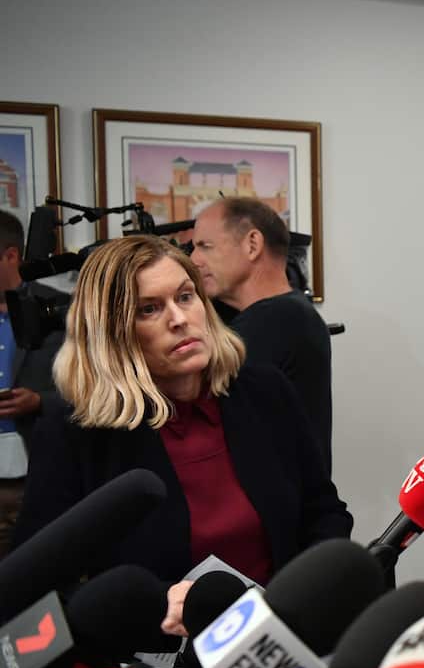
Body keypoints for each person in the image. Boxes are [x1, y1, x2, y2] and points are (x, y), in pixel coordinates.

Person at [14, 235, 351, 636]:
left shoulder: (264, 391)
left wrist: (303, 598)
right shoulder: (77, 431)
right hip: (157, 655)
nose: (179, 319)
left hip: (283, 633)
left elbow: (323, 511)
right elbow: (34, 580)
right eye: (149, 309)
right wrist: (155, 606)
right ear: (112, 334)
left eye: (186, 297)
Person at [191, 197, 333, 471]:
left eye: (204, 246)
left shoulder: (277, 320)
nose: (194, 259)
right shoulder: (291, 314)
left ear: (252, 244)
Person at [0, 210, 65, 557]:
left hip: (39, 476)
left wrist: (41, 402)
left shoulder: (59, 309)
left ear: (11, 256)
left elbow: (92, 391)